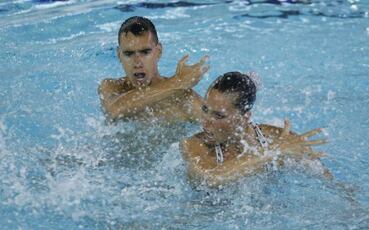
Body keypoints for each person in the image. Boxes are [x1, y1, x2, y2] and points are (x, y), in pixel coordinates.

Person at [180, 72, 332, 188]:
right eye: (205, 109)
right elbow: (210, 178)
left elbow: (326, 179)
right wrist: (271, 154)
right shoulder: (193, 144)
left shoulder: (277, 138)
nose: (205, 123)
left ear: (245, 117)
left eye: (219, 116)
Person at [98, 16, 208, 123]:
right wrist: (177, 82)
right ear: (119, 55)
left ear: (159, 51)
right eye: (128, 53)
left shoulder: (184, 100)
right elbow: (114, 111)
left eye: (145, 52)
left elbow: (219, 127)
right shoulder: (112, 87)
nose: (137, 63)